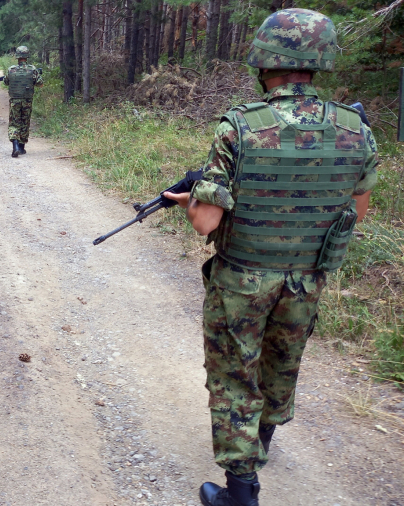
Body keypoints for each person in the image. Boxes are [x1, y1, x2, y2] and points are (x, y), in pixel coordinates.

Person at [163, 9, 378, 506]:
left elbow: (205, 222)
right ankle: (261, 443)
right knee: (281, 366)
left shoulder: (240, 126)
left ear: (264, 61)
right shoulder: (356, 129)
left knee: (235, 379)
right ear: (320, 61)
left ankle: (241, 493)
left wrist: (192, 201)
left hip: (241, 281)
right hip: (306, 281)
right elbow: (356, 212)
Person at [3, 45, 43, 158]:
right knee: (25, 122)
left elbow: (6, 82)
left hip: (14, 101)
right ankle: (21, 147)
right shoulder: (32, 69)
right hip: (27, 101)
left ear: (17, 56)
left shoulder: (11, 69)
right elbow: (40, 84)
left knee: (14, 123)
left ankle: (15, 146)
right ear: (27, 56)